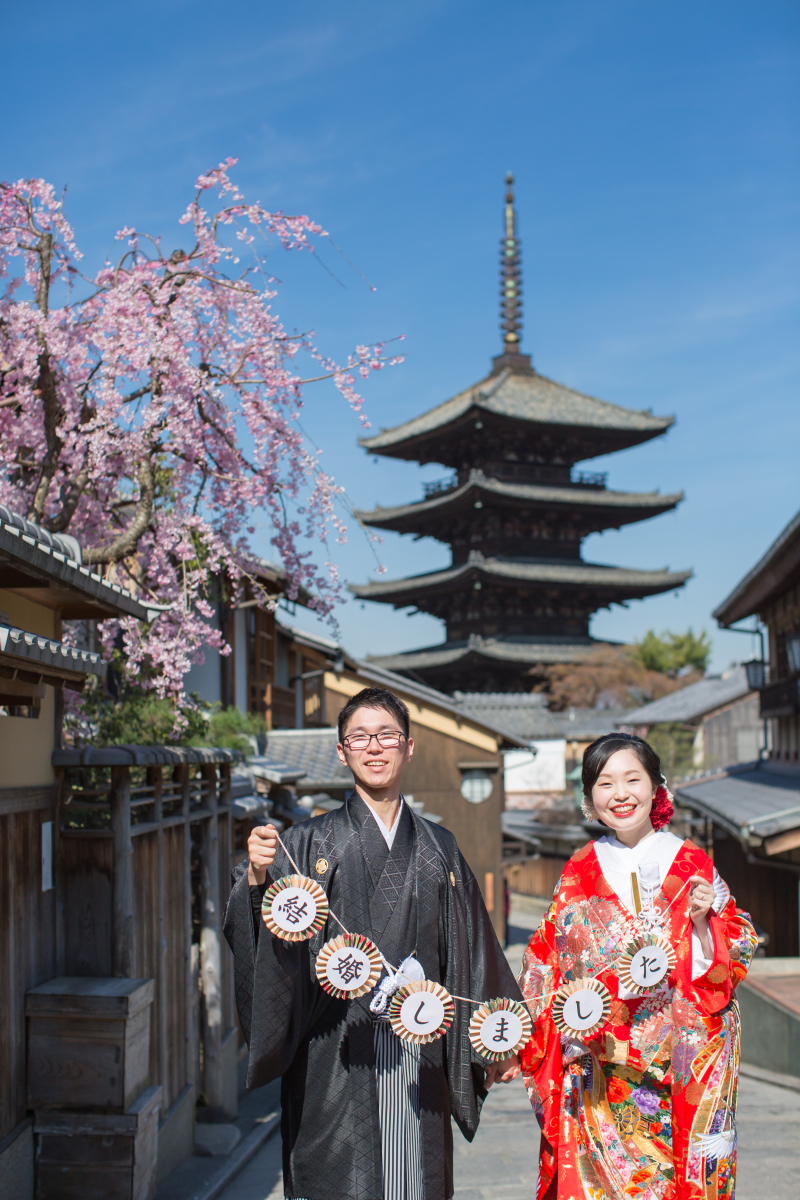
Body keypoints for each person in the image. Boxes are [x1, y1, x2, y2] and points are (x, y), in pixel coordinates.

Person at [223, 686, 521, 1200]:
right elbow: (263, 933)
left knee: (415, 1181)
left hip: (420, 1044)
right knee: (337, 1180)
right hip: (332, 1052)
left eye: (387, 735)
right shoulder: (305, 844)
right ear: (341, 752)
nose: (374, 747)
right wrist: (255, 875)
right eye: (359, 737)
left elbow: (473, 949)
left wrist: (496, 1038)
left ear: (409, 747)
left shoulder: (438, 847)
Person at [518, 732, 757, 1200]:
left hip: (683, 1054)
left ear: (656, 787)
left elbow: (738, 941)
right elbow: (546, 957)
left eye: (633, 779)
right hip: (604, 1061)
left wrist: (707, 922)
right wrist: (519, 1028)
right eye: (605, 784)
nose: (621, 794)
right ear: (589, 799)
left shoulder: (690, 861)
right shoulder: (579, 868)